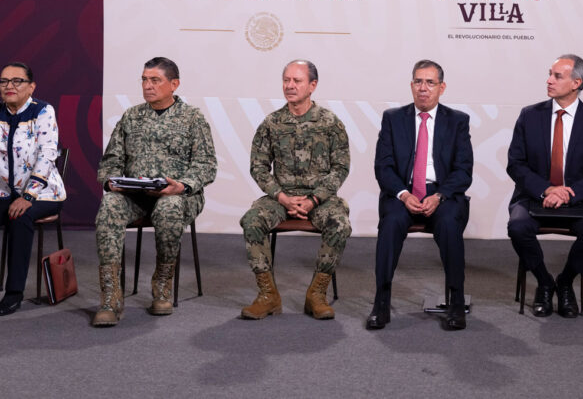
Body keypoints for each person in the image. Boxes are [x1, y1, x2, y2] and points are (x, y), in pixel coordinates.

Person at [92, 57, 217, 326]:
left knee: (169, 208)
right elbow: (111, 160)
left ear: (174, 84)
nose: (148, 86)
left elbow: (207, 165)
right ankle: (111, 296)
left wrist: (182, 185)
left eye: (155, 80)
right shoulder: (132, 116)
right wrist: (110, 182)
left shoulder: (192, 118)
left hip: (178, 196)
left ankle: (162, 285)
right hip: (134, 196)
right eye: (144, 80)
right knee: (110, 205)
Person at [240, 60, 351, 320]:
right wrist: (281, 196)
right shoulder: (272, 123)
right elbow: (258, 166)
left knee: (340, 224)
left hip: (320, 199)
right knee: (251, 220)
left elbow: (341, 168)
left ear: (312, 85)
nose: (290, 86)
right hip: (281, 197)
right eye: (286, 80)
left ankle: (316, 295)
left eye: (297, 81)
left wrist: (314, 199)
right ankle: (268, 296)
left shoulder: (329, 123)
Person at [367, 60, 473, 330]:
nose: (423, 88)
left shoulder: (457, 121)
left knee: (449, 224)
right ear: (411, 85)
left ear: (442, 87)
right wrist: (403, 194)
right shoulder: (393, 118)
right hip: (404, 192)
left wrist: (439, 196)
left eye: (430, 82)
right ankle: (381, 301)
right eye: (418, 82)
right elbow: (383, 166)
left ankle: (456, 301)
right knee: (390, 224)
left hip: (442, 194)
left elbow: (463, 171)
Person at [507, 54, 583, 318]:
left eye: (557, 76)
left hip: (579, 199)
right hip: (533, 196)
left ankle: (565, 282)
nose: (549, 80)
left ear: (576, 82)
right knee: (518, 227)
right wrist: (546, 190)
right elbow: (515, 164)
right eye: (550, 74)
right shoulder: (530, 116)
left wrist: (568, 192)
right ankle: (544, 282)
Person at [0, 62, 66, 315]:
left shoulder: (42, 111)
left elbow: (48, 156)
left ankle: (14, 293)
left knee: (20, 215)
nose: (9, 86)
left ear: (31, 86)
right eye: (4, 81)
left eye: (17, 81)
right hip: (6, 191)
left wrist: (29, 195)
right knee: (12, 208)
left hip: (45, 192)